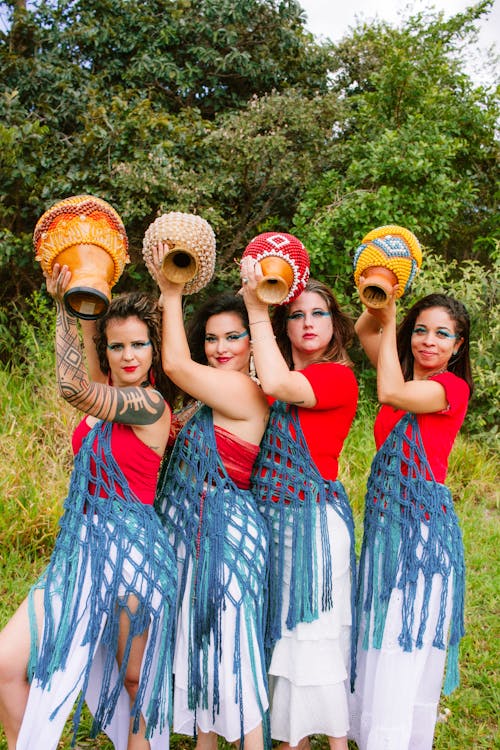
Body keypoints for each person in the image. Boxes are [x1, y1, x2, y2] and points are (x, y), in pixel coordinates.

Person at [0, 264, 178, 750]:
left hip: (132, 551)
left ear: (153, 350)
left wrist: (60, 308)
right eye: (116, 346)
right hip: (80, 553)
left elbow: (75, 387)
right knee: (6, 665)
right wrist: (76, 302)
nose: (126, 355)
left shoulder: (150, 406)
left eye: (138, 344)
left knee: (136, 682)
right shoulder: (111, 394)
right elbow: (87, 363)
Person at [149, 242, 271, 750]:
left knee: (232, 653)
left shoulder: (245, 390)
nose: (222, 349)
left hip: (227, 531)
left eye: (234, 338)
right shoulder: (207, 400)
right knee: (200, 645)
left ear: (251, 343)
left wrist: (171, 290)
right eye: (214, 338)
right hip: (193, 530)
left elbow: (175, 364)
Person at [239, 258, 359, 750]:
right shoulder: (272, 373)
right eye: (297, 314)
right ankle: (289, 741)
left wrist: (255, 310)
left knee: (312, 638)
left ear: (335, 326)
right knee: (282, 640)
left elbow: (277, 386)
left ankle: (329, 741)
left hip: (312, 523)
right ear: (285, 324)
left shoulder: (337, 378)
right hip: (270, 521)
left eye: (320, 314)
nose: (309, 323)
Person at [350, 292, 473, 750]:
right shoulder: (398, 371)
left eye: (443, 334)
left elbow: (390, 393)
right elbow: (366, 330)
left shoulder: (448, 390)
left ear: (458, 345)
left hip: (422, 532)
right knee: (380, 635)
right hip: (386, 529)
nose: (428, 341)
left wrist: (394, 315)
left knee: (404, 640)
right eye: (421, 329)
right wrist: (381, 294)